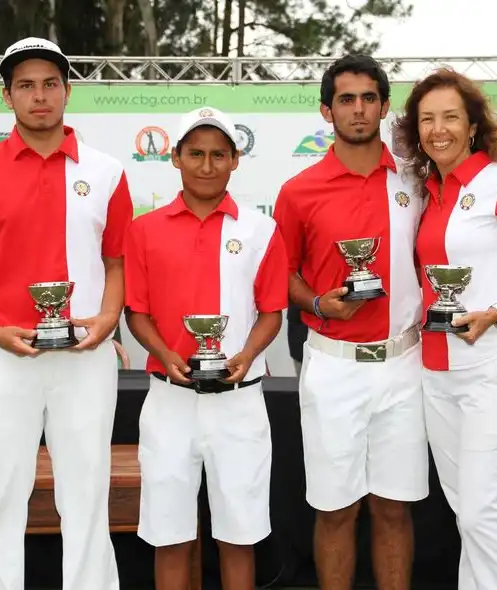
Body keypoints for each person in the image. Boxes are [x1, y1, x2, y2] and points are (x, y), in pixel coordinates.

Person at [0, 37, 133, 590]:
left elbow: (117, 262)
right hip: (2, 356)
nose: (39, 96)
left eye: (49, 84)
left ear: (67, 91)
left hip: (84, 358)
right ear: (7, 96)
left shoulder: (108, 171)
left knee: (87, 494)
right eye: (26, 86)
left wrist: (107, 318)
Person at [394, 67, 497, 590]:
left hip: (494, 371)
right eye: (426, 119)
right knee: (469, 513)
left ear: (472, 126)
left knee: (483, 515)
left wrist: (495, 311)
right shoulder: (427, 193)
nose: (437, 129)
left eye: (450, 117)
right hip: (438, 374)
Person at [272, 55, 428, 590]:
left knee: (393, 509)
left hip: (405, 365)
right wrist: (318, 304)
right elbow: (281, 275)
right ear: (326, 110)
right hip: (334, 365)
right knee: (336, 511)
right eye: (346, 99)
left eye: (368, 98)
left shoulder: (417, 180)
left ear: (385, 107)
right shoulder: (298, 190)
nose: (358, 109)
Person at [124, 106, 288, 590]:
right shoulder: (144, 229)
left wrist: (246, 355)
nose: (206, 164)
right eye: (195, 153)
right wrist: (168, 355)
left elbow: (272, 311)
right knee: (168, 533)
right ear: (174, 158)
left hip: (239, 400)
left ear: (236, 159)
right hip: (169, 399)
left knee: (240, 533)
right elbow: (137, 312)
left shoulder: (260, 229)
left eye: (219, 154)